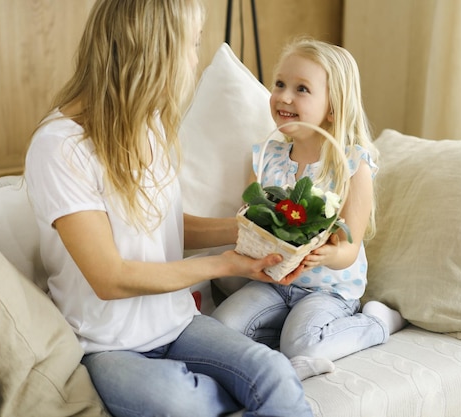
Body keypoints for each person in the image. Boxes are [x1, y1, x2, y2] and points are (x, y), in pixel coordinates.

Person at [23, 1, 313, 416]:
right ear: (157, 50)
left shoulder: (150, 124)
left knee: (273, 373)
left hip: (177, 325)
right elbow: (110, 278)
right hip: (107, 345)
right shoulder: (60, 146)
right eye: (193, 44)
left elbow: (160, 227)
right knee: (181, 403)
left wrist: (250, 232)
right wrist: (225, 265)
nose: (196, 58)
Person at [212, 38, 406, 380]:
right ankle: (283, 337)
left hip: (327, 289)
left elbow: (348, 248)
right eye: (280, 84)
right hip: (272, 282)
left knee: (302, 346)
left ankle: (376, 322)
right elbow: (252, 220)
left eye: (302, 89)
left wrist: (324, 256)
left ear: (332, 108)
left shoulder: (351, 165)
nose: (284, 96)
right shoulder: (264, 156)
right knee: (219, 329)